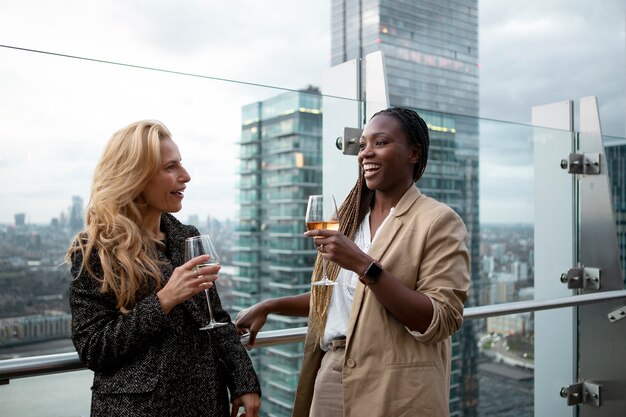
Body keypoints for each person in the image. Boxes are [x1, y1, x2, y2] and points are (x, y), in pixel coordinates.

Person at [236, 107, 470, 417]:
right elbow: (338, 299)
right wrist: (270, 305)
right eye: (362, 145)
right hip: (333, 373)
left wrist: (363, 264)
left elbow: (440, 319)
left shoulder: (438, 221)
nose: (366, 153)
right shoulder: (347, 220)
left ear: (413, 153)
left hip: (396, 382)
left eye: (381, 142)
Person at [67, 120, 261, 417]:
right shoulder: (96, 249)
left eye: (180, 165)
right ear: (136, 176)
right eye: (171, 168)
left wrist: (244, 382)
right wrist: (165, 299)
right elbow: (94, 348)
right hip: (139, 410)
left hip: (207, 404)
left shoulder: (186, 236)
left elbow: (216, 318)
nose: (186, 176)